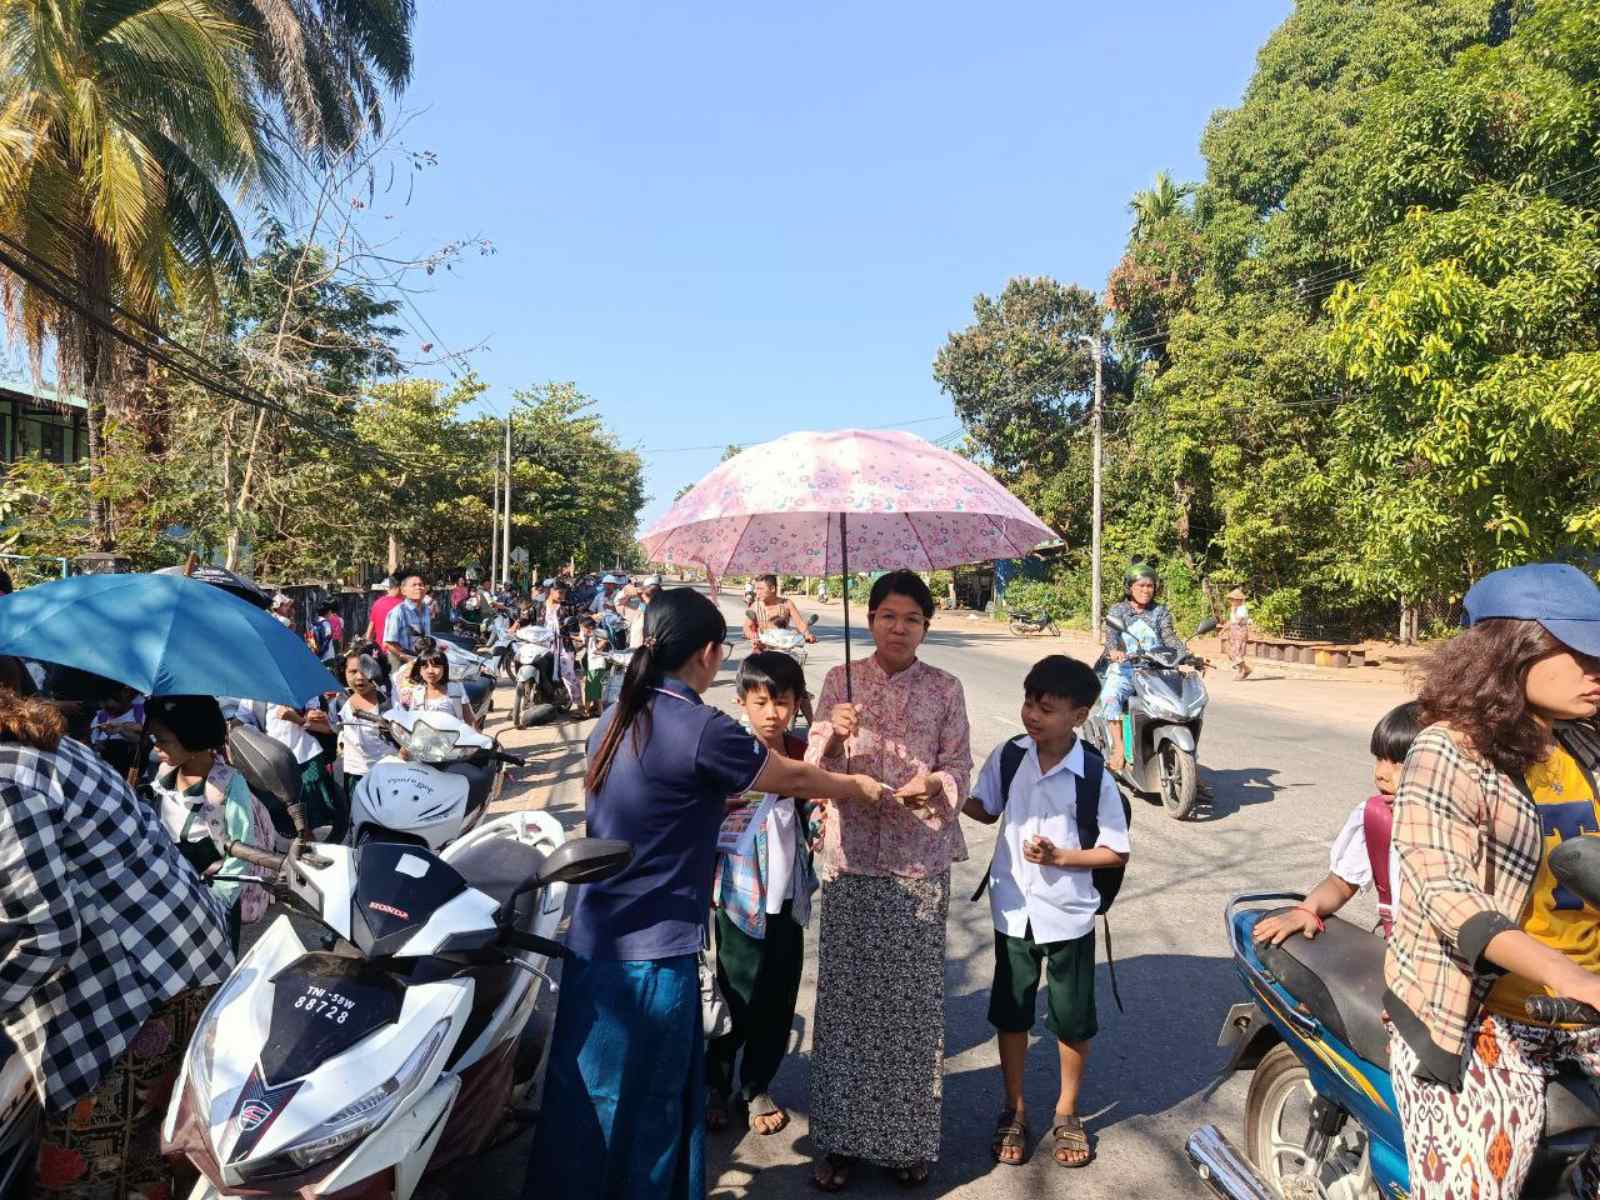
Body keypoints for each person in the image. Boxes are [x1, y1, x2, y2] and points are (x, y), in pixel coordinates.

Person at [526, 589, 887, 1200]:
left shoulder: (616, 715)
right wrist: (855, 785)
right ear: (710, 653)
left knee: (588, 1096)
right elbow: (792, 776)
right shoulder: (700, 727)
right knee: (652, 1105)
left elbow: (655, 808)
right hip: (654, 953)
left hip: (594, 940)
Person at [1384, 563, 1600, 1200]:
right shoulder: (1448, 750)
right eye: (1580, 651)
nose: (1596, 668)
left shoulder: (1586, 743)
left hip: (1585, 1008)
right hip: (1480, 1013)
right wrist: (1571, 977)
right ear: (1510, 652)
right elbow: (1447, 891)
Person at [0, 688, 232, 1200]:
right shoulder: (34, 741)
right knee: (143, 1162)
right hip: (178, 953)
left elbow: (46, 932)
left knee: (83, 1174)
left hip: (148, 983)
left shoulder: (7, 781)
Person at [805, 569, 974, 1191]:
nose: (898, 628)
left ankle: (906, 1141)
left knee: (910, 1009)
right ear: (871, 619)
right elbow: (811, 765)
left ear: (926, 626)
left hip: (918, 861)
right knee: (845, 1004)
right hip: (852, 861)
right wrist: (833, 732)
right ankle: (839, 1140)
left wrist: (934, 784)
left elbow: (960, 765)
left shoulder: (946, 688)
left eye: (912, 619)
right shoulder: (839, 682)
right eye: (887, 616)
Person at [962, 654, 1128, 1170]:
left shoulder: (1093, 775)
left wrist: (1061, 858)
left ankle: (1067, 1110)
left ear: (1078, 716)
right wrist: (943, 794)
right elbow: (984, 808)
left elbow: (1115, 851)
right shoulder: (1010, 756)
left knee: (1072, 1019)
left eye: (1047, 708)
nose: (1032, 715)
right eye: (1029, 703)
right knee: (1011, 1012)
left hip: (1068, 914)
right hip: (1012, 908)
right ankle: (1013, 1107)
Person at [707, 652, 822, 1137]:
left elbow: (815, 811)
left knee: (778, 998)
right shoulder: (728, 752)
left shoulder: (803, 753)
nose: (772, 713)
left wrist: (819, 821)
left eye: (783, 702)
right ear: (742, 702)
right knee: (734, 995)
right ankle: (715, 1083)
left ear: (797, 704)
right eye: (761, 702)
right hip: (738, 900)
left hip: (788, 901)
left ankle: (756, 1086)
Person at [1254, 700, 1425, 945]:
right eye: (1379, 758)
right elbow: (1340, 884)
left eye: (1399, 762)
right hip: (1401, 953)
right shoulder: (1376, 819)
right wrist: (1307, 910)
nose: (1381, 774)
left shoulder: (1471, 828)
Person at [146, 695, 274, 950]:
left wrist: (220, 900)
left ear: (194, 737)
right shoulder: (163, 775)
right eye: (154, 739)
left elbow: (242, 847)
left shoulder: (228, 784)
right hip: (173, 889)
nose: (156, 747)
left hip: (214, 895)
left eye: (163, 740)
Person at [1099, 564, 1182, 773]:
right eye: (1141, 585)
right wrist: (1114, 652)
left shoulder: (1160, 611)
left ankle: (1187, 758)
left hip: (1157, 670)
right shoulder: (1118, 610)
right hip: (1126, 668)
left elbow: (1169, 637)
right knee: (1110, 697)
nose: (1146, 590)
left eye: (1150, 586)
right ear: (1129, 587)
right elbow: (1111, 637)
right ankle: (1119, 749)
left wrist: (1185, 654)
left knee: (1179, 705)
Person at [338, 652, 391, 798]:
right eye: (353, 671)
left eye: (365, 671)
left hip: (386, 773)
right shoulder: (340, 702)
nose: (359, 677)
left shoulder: (389, 702)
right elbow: (334, 727)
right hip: (355, 773)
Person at [398, 647, 473, 726]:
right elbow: (412, 721)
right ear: (420, 671)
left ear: (444, 668)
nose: (430, 671)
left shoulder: (455, 689)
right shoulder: (417, 693)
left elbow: (470, 719)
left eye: (436, 666)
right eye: (425, 667)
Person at [89, 684, 145, 777]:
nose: (104, 708)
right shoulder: (101, 716)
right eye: (102, 704)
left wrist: (121, 730)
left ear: (124, 696)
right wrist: (98, 745)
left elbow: (144, 742)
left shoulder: (140, 714)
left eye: (109, 706)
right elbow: (93, 741)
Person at [382, 572, 432, 672]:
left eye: (421, 585)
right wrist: (408, 659)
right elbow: (388, 643)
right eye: (414, 585)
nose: (418, 587)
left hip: (422, 660)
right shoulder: (398, 612)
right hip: (401, 662)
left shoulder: (426, 609)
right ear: (403, 591)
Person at [1221, 586, 1252, 680]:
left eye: (1233, 599)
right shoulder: (1234, 609)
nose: (1231, 601)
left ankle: (1243, 670)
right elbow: (1231, 621)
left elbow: (1238, 621)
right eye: (1231, 599)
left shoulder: (1242, 609)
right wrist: (1223, 630)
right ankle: (1244, 669)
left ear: (1239, 600)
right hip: (1233, 631)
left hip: (1240, 631)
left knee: (1237, 652)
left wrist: (1234, 611)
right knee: (1231, 652)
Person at [364, 576, 402, 645]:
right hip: (397, 648)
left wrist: (368, 643)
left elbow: (370, 630)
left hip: (379, 648)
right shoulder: (403, 605)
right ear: (398, 588)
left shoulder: (377, 603)